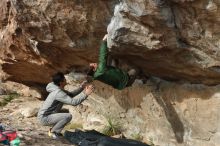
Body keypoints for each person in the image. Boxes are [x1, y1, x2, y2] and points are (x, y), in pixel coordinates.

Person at [37, 72, 94, 139]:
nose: (66, 79)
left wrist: (81, 87)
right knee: (68, 116)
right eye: (64, 78)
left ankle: (54, 130)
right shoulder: (58, 92)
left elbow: (71, 95)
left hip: (45, 115)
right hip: (44, 118)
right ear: (61, 82)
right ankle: (53, 132)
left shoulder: (57, 89)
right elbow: (74, 102)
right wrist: (86, 94)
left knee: (65, 115)